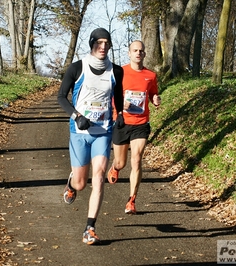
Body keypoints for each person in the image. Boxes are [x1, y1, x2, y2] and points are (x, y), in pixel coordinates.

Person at [57, 28, 124, 245]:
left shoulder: (116, 71)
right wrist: (76, 116)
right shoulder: (77, 68)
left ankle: (90, 227)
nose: (103, 47)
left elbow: (118, 95)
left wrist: (120, 114)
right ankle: (71, 182)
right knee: (80, 184)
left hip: (102, 132)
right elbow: (61, 97)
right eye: (100, 42)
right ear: (92, 43)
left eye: (107, 43)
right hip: (79, 132)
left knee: (99, 176)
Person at [107, 40, 161, 215]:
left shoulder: (150, 75)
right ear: (129, 53)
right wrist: (121, 105)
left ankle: (131, 200)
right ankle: (115, 167)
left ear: (145, 54)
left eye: (141, 51)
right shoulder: (120, 72)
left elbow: (152, 92)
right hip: (122, 121)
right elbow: (110, 95)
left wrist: (155, 99)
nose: (138, 53)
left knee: (136, 159)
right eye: (135, 50)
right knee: (121, 163)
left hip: (141, 123)